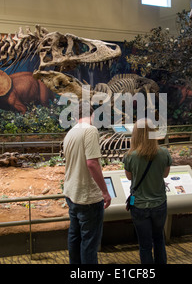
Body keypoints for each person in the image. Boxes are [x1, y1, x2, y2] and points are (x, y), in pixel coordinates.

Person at [63, 101, 111, 264]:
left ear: (75, 117)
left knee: (74, 238)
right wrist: (105, 191)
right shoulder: (90, 131)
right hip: (87, 197)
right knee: (89, 244)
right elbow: (92, 163)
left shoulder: (70, 133)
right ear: (92, 115)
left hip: (72, 194)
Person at [123, 119, 172, 264]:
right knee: (159, 240)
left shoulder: (130, 156)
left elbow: (129, 177)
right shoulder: (164, 153)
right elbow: (165, 175)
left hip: (139, 205)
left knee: (144, 245)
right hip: (159, 204)